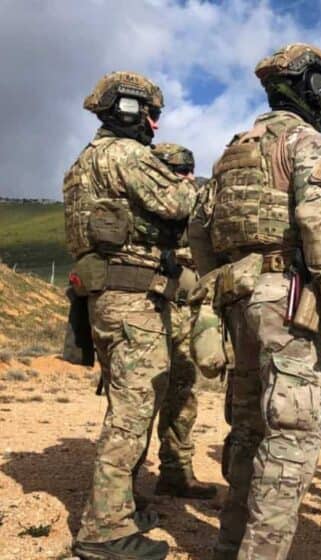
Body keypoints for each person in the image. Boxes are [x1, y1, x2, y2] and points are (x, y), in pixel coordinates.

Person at [209, 43, 321, 560]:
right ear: (312, 87)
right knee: (292, 433)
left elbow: (203, 226)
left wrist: (218, 285)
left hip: (237, 296)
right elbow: (318, 220)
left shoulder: (232, 151)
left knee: (248, 428)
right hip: (284, 297)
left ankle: (230, 546)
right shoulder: (304, 141)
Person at [64, 71, 196, 560]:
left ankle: (122, 505)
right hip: (131, 299)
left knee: (127, 403)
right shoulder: (127, 155)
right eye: (151, 114)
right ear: (129, 108)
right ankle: (104, 530)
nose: (155, 125)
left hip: (105, 298)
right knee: (133, 411)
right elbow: (180, 201)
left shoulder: (82, 163)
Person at [141, 142, 217, 500]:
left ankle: (176, 472)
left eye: (190, 169)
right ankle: (124, 486)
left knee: (183, 395)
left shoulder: (195, 209)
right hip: (151, 309)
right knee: (143, 396)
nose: (188, 177)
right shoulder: (144, 205)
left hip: (188, 310)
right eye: (180, 170)